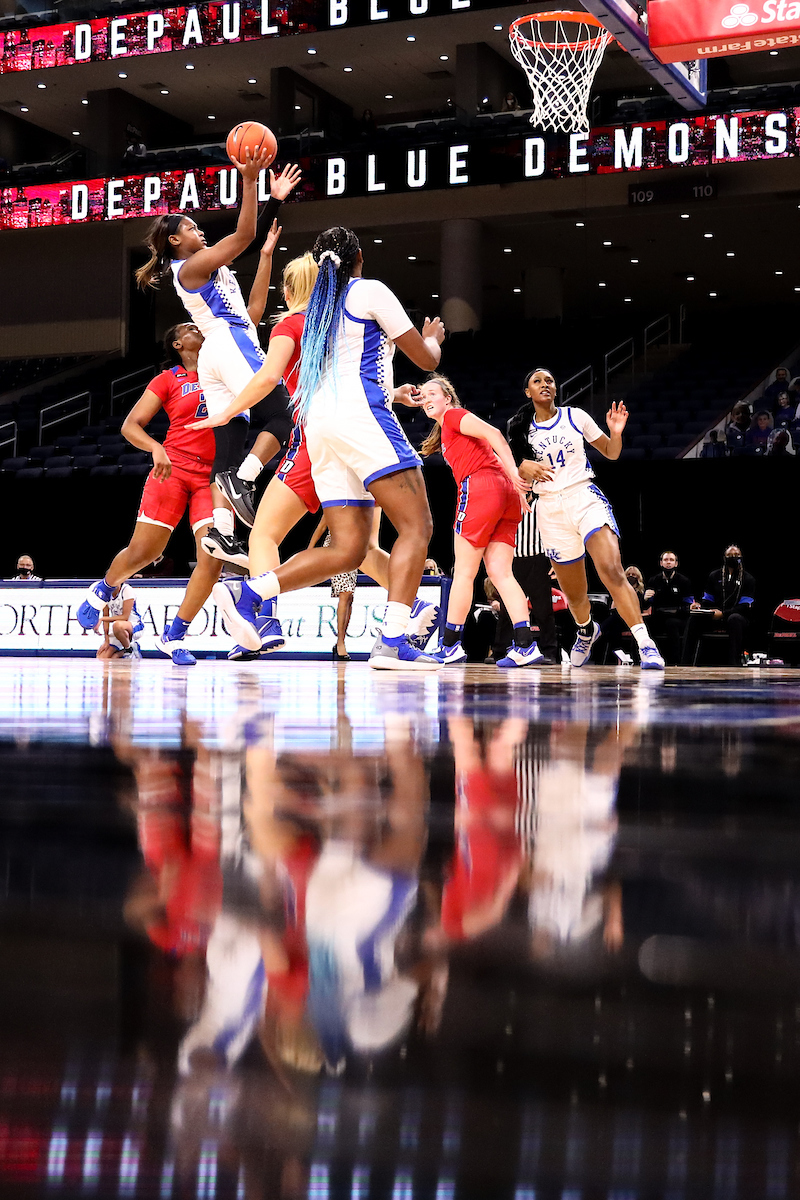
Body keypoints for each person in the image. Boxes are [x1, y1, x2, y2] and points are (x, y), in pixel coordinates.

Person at [212, 226, 447, 671]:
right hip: (362, 417)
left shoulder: (314, 311)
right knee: (417, 526)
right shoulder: (369, 290)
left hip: (319, 427)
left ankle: (251, 592)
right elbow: (427, 360)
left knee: (349, 550)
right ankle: (394, 639)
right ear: (359, 256)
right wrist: (433, 337)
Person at [135, 153, 301, 567]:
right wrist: (249, 180)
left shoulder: (210, 270)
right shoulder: (189, 267)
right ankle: (245, 477)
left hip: (221, 349)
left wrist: (272, 214)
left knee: (229, 439)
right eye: (191, 227)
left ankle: (222, 534)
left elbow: (254, 312)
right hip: (228, 345)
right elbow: (243, 233)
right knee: (283, 416)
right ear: (175, 241)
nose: (199, 229)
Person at [76, 323, 222, 665]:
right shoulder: (168, 379)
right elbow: (130, 425)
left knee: (211, 558)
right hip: (173, 466)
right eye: (187, 327)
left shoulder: (221, 369)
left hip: (211, 475)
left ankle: (175, 635)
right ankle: (106, 586)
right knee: (145, 551)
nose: (195, 326)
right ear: (177, 343)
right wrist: (156, 448)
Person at [512, 367, 665, 670]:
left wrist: (616, 433)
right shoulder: (519, 431)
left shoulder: (575, 416)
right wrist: (521, 468)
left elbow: (610, 452)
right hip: (549, 508)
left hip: (584, 496)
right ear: (528, 392)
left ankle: (645, 644)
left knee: (611, 569)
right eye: (537, 381)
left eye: (550, 381)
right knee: (575, 595)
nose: (545, 384)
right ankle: (586, 631)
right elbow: (514, 469)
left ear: (556, 389)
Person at [418, 375, 543, 667]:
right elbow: (491, 455)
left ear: (447, 397)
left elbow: (496, 435)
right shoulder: (447, 429)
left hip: (482, 489)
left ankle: (449, 645)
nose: (426, 399)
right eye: (422, 396)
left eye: (432, 393)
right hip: (503, 494)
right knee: (501, 573)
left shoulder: (453, 415)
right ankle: (525, 645)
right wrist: (513, 489)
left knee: (463, 572)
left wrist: (514, 473)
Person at [507, 409, 561, 663]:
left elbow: (553, 531)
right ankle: (501, 649)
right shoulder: (510, 500)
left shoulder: (542, 502)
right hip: (514, 559)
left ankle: (550, 653)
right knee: (510, 607)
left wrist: (553, 561)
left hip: (538, 559)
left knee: (543, 609)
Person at [690, 544, 755, 666]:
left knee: (734, 618)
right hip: (714, 614)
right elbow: (707, 599)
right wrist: (700, 606)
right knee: (694, 618)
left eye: (736, 555)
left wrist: (724, 614)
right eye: (730, 555)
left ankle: (733, 664)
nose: (733, 557)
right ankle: (687, 662)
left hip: (736, 617)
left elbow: (745, 606)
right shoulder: (714, 576)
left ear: (741, 557)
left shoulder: (748, 579)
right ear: (724, 558)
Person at [644, 550, 694, 665]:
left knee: (671, 623)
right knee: (643, 623)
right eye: (666, 560)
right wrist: (645, 598)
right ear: (661, 563)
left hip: (678, 618)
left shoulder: (684, 581)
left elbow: (688, 605)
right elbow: (647, 605)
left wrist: (676, 610)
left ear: (676, 564)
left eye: (671, 560)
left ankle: (675, 662)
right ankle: (641, 659)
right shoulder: (653, 580)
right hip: (659, 616)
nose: (668, 563)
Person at [600, 565, 647, 664]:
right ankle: (614, 658)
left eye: (633, 575)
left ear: (638, 578)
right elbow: (612, 608)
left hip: (634, 621)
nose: (631, 576)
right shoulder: (619, 591)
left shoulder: (641, 594)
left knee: (614, 619)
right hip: (620, 620)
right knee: (614, 627)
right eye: (628, 575)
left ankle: (599, 630)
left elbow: (641, 610)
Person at [94, 583, 144, 659]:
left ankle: (129, 649)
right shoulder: (106, 593)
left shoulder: (126, 590)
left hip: (134, 625)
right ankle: (126, 651)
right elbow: (106, 616)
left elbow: (125, 617)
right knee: (101, 657)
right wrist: (106, 640)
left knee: (117, 626)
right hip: (117, 629)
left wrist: (101, 619)